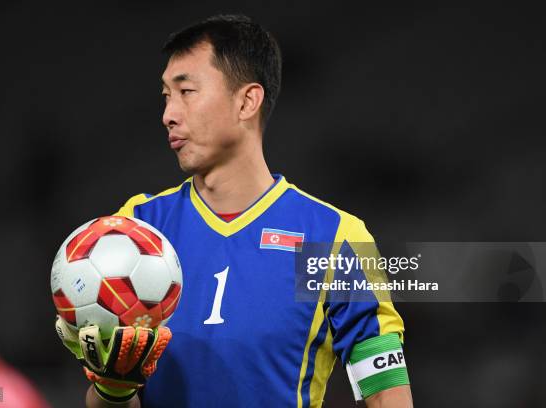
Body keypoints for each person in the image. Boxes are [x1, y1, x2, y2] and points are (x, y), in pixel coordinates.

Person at [56, 14, 412, 407]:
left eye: (186, 91)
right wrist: (113, 388)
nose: (168, 115)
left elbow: (386, 391)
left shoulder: (332, 238)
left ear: (247, 101)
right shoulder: (138, 230)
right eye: (165, 96)